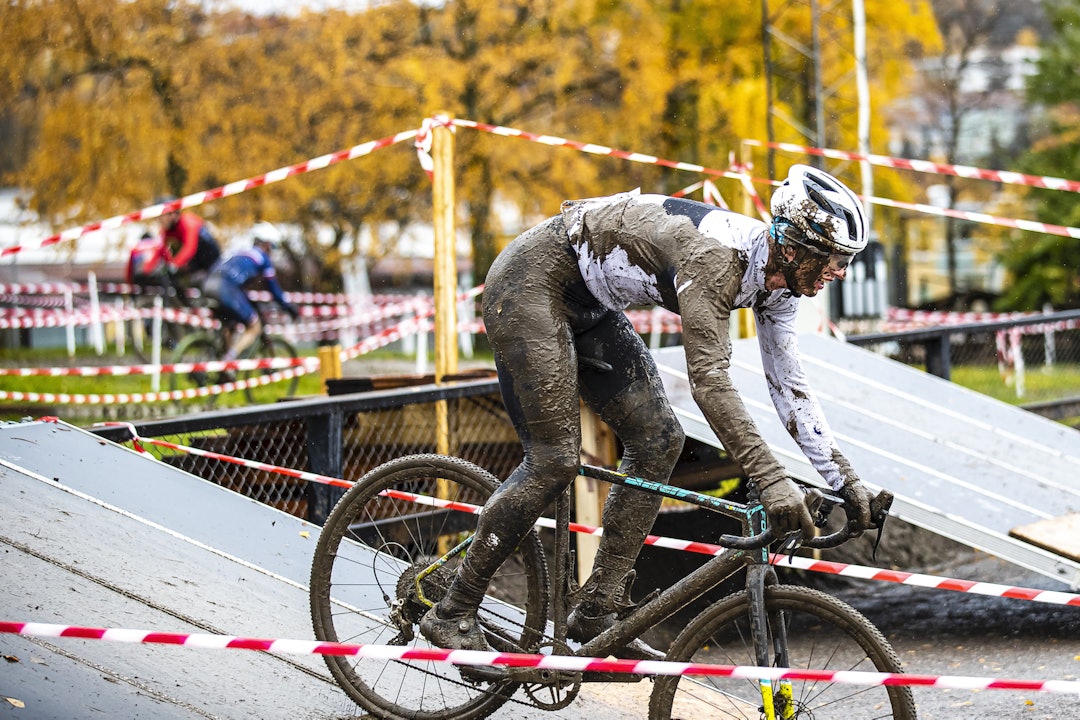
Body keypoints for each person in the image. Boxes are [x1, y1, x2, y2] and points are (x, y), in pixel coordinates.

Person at [419, 164, 880, 668]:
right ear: (793, 247)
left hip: (591, 302)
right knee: (554, 460)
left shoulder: (781, 287)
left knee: (660, 442)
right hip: (532, 280)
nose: (840, 272)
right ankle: (454, 608)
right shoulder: (718, 260)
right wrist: (770, 478)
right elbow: (710, 381)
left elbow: (789, 389)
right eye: (834, 258)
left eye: (846, 260)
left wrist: (844, 478)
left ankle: (596, 609)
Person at [201, 221, 300, 364]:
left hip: (209, 284)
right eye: (273, 246)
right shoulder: (262, 258)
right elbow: (273, 289)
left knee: (230, 324)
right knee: (254, 326)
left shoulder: (240, 251)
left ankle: (224, 366)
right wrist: (288, 307)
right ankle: (229, 361)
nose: (272, 250)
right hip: (225, 287)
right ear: (266, 244)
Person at [157, 198, 222, 282]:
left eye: (162, 216)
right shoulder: (167, 228)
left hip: (211, 260)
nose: (159, 220)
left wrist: (174, 264)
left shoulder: (188, 222)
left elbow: (190, 248)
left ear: (173, 214)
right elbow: (162, 249)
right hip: (196, 260)